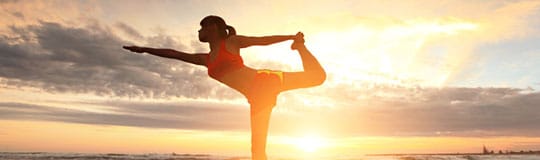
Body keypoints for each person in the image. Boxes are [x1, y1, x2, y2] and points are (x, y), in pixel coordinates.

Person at [123, 15, 326, 160]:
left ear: (213, 27)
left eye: (202, 27)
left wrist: (291, 38)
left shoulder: (232, 42)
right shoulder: (205, 59)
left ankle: (300, 47)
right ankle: (299, 46)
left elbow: (261, 40)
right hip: (256, 98)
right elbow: (174, 53)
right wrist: (145, 49)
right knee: (257, 152)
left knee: (318, 77)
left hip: (264, 81)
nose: (199, 31)